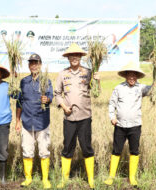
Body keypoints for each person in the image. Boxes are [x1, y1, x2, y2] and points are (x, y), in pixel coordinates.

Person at [104, 61, 156, 187]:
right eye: (129, 75)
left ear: (137, 76)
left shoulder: (141, 88)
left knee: (134, 151)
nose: (132, 78)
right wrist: (112, 117)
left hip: (135, 126)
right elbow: (112, 104)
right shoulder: (118, 88)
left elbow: (153, 91)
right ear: (125, 76)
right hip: (119, 125)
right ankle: (111, 177)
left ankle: (132, 177)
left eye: (134, 75)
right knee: (116, 150)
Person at [55, 43, 100, 189]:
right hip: (69, 118)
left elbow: (96, 93)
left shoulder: (88, 72)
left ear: (80, 57)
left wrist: (98, 81)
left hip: (85, 117)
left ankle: (91, 179)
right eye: (71, 55)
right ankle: (64, 179)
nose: (74, 58)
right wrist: (63, 106)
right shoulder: (62, 74)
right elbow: (57, 93)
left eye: (77, 55)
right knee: (68, 147)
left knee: (86, 147)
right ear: (68, 58)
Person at [15, 53, 53, 189]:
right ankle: (28, 178)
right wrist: (17, 121)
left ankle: (45, 179)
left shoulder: (46, 81)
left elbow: (50, 96)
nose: (34, 65)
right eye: (31, 63)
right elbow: (19, 102)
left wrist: (47, 100)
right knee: (27, 150)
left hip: (42, 122)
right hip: (26, 122)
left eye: (36, 62)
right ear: (29, 65)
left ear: (40, 64)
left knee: (44, 151)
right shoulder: (23, 81)